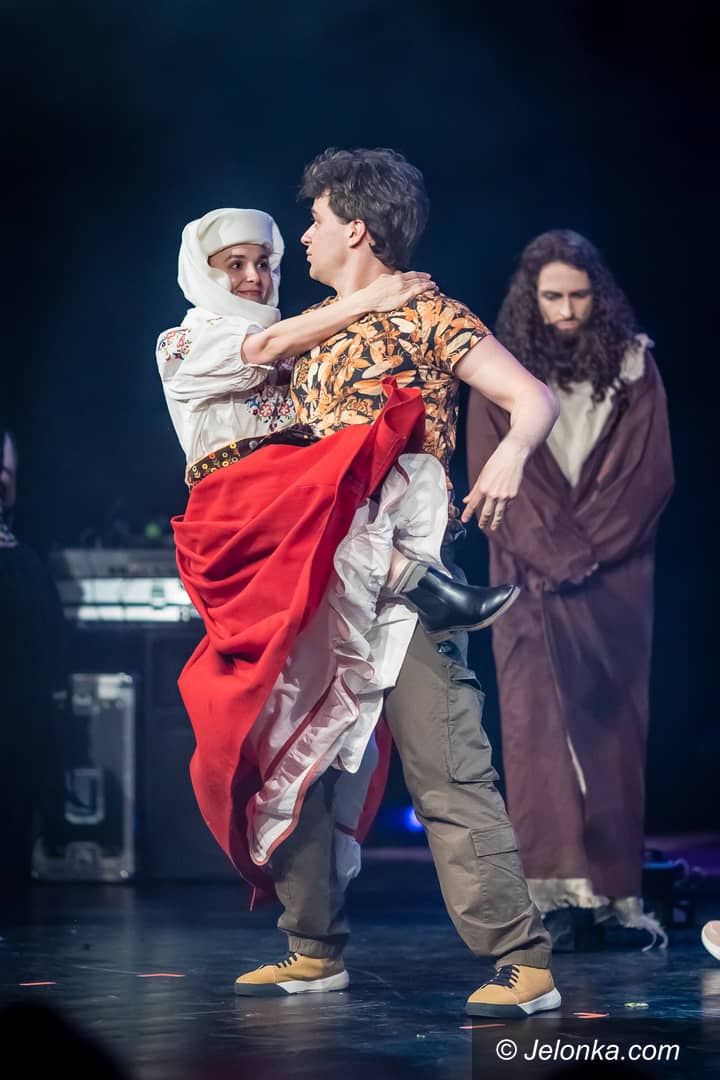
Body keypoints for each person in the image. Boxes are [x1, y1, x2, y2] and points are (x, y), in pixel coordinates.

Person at [228, 149, 563, 1019]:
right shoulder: (312, 324)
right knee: (300, 759)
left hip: (407, 579)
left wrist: (511, 453)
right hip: (317, 575)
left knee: (446, 763)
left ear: (356, 228)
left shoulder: (429, 313)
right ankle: (312, 948)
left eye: (314, 219)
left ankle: (522, 960)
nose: (302, 236)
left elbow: (533, 399)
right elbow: (249, 359)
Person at [466, 229, 674, 951]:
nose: (565, 310)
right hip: (528, 578)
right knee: (537, 732)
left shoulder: (633, 363)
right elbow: (496, 476)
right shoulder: (501, 369)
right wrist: (553, 557)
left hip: (613, 579)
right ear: (532, 299)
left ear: (598, 297)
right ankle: (555, 897)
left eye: (578, 296)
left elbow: (647, 478)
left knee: (613, 728)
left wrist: (582, 558)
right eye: (552, 297)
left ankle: (615, 900)